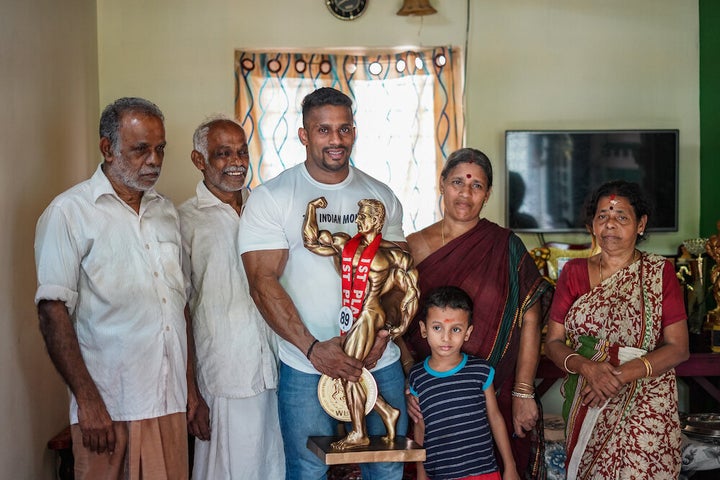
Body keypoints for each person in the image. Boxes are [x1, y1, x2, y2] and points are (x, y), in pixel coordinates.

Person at [238, 87, 409, 479]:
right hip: (304, 364)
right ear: (304, 135)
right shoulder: (273, 198)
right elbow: (262, 282)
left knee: (385, 469)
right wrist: (313, 349)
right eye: (324, 130)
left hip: (377, 360)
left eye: (344, 129)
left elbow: (399, 277)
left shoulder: (380, 196)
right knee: (307, 469)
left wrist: (383, 336)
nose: (336, 140)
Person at [34, 97, 189, 478]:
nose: (154, 160)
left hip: (170, 403)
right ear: (107, 148)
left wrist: (193, 394)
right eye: (140, 149)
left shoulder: (166, 212)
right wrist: (87, 402)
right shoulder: (69, 213)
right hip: (108, 408)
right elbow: (53, 313)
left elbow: (179, 307)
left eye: (160, 149)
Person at [403, 148, 550, 479]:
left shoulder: (505, 245)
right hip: (431, 397)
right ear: (442, 184)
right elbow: (391, 322)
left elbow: (530, 315)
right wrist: (412, 380)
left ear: (488, 194)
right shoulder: (411, 248)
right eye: (457, 182)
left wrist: (524, 391)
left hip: (492, 393)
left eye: (477, 186)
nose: (465, 193)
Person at [544, 180, 689, 479]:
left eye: (622, 217)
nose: (610, 224)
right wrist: (588, 369)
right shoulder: (572, 272)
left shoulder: (659, 272)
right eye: (602, 216)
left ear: (640, 224)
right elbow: (554, 342)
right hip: (587, 392)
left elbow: (678, 347)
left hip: (647, 398)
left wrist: (617, 377)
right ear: (591, 226)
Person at [178, 116, 284, 479]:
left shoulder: (265, 210)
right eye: (223, 153)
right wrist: (192, 396)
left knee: (274, 466)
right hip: (223, 377)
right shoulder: (184, 222)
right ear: (198, 160)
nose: (237, 161)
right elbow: (180, 313)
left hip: (276, 368)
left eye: (241, 151)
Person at [302, 196, 419, 450]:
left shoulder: (392, 254)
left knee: (349, 369)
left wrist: (399, 327)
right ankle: (386, 411)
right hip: (350, 313)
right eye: (358, 216)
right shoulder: (345, 243)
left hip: (370, 312)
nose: (358, 220)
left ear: (378, 221)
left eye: (364, 216)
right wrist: (311, 210)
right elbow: (311, 240)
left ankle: (359, 433)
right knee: (349, 369)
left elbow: (412, 292)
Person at [408, 286, 519, 480]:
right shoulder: (418, 377)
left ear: (468, 333)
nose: (446, 337)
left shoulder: (481, 371)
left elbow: (495, 418)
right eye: (437, 327)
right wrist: (421, 473)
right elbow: (420, 426)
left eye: (456, 329)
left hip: (483, 472)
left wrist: (510, 466)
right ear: (423, 330)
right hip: (441, 474)